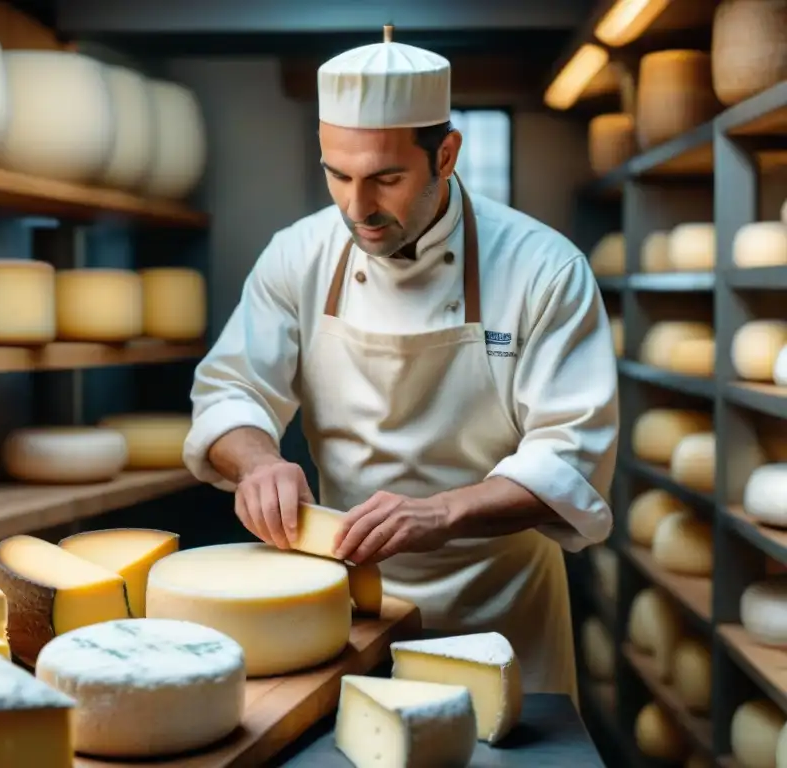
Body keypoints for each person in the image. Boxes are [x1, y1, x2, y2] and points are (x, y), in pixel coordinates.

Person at [182, 25, 618, 701]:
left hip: (498, 611)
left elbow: (571, 457)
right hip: (343, 604)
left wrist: (442, 513)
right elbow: (232, 389)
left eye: (386, 178)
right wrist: (258, 461)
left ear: (446, 154)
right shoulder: (297, 255)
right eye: (338, 175)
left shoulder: (544, 269)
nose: (358, 209)